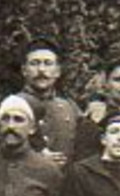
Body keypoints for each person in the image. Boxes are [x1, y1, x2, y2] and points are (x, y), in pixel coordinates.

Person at [14, 36, 81, 166]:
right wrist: (34, 158)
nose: (41, 70)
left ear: (58, 71)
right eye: (34, 63)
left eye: (48, 63)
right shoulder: (12, 105)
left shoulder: (70, 107)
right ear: (24, 71)